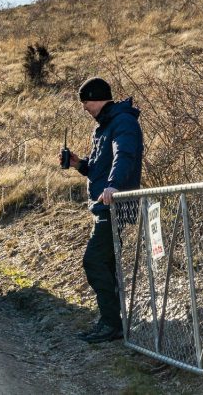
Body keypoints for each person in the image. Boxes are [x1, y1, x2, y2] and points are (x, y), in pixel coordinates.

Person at [60, 77, 143, 344]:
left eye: (86, 102)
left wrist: (114, 187)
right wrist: (78, 164)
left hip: (114, 206)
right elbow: (99, 167)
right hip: (105, 206)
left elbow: (125, 156)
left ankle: (111, 324)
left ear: (97, 98)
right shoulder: (104, 126)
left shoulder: (122, 122)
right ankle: (112, 323)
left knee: (94, 261)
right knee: (105, 263)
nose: (84, 107)